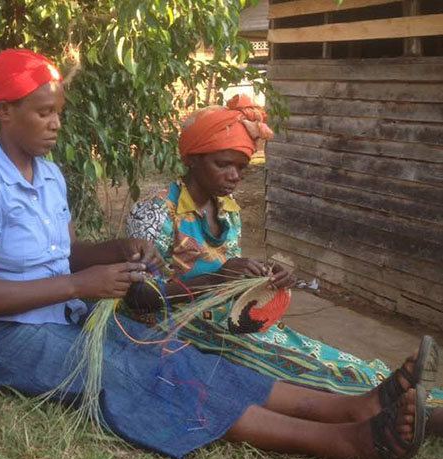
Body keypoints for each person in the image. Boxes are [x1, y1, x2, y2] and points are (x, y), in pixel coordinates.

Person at [0, 49, 427, 459]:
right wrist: (80, 286)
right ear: (4, 112)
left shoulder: (48, 176)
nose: (56, 124)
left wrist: (118, 250)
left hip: (62, 318)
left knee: (177, 354)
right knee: (138, 375)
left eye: (59, 112)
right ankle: (347, 443)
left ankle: (351, 407)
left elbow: (65, 256)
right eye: (44, 113)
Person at [123, 95, 442, 428]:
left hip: (221, 319)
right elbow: (140, 297)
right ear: (192, 158)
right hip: (172, 328)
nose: (234, 175)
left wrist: (261, 278)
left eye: (242, 167)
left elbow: (229, 277)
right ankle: (410, 407)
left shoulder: (227, 210)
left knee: (314, 352)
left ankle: (404, 390)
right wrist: (221, 278)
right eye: (224, 164)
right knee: (294, 362)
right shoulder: (157, 212)